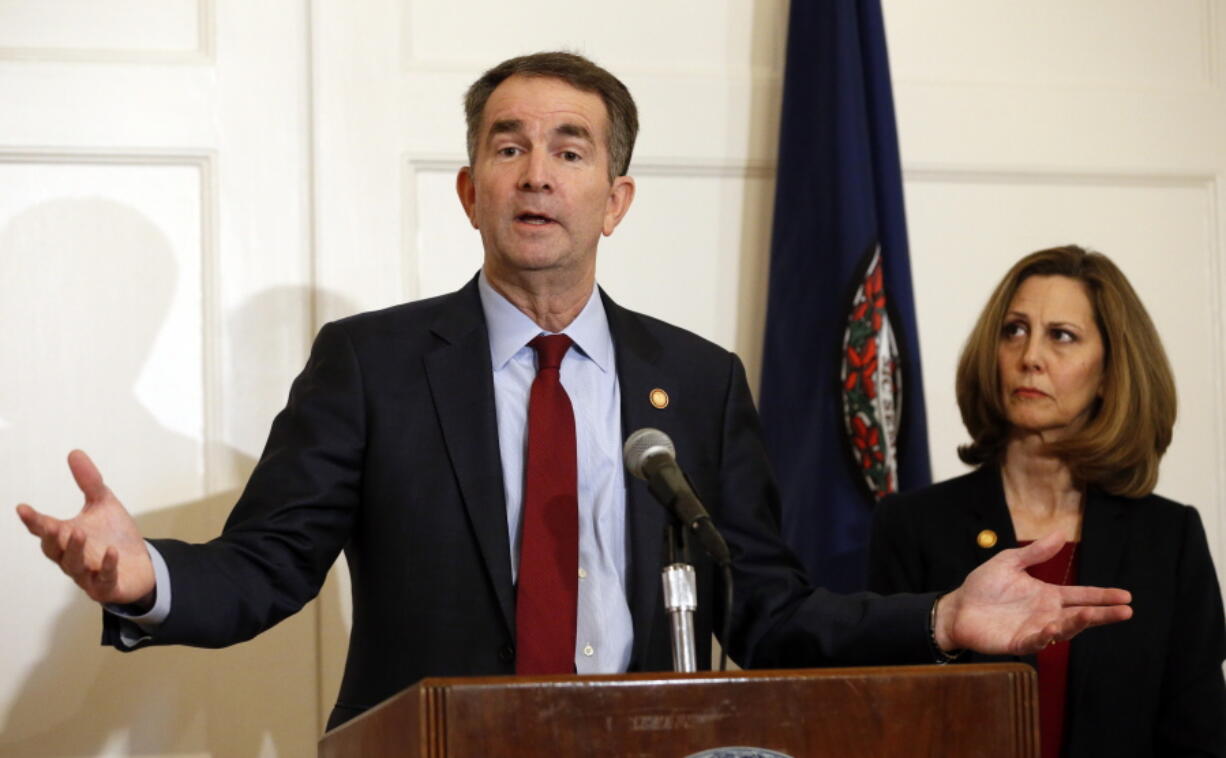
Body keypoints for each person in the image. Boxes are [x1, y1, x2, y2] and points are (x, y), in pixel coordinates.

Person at [17, 53, 1132, 732]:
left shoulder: (694, 384)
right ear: (468, 190)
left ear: (617, 196)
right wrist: (145, 573)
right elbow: (265, 567)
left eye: (568, 148)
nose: (536, 171)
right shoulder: (372, 365)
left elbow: (769, 609)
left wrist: (937, 615)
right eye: (506, 147)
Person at [869, 245, 1226, 757]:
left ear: (1109, 372)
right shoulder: (913, 526)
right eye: (1014, 330)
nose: (1030, 356)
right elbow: (886, 722)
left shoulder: (1169, 538)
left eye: (1062, 336)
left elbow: (1197, 736)